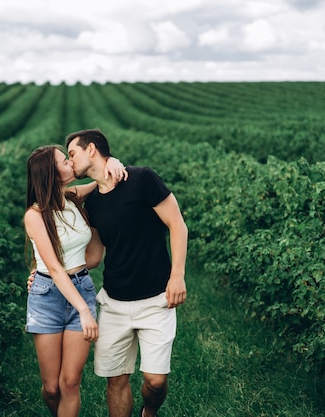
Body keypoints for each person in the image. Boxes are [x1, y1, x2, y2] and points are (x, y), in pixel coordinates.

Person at [65, 128, 188, 417]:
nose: (70, 162)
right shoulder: (92, 201)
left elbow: (177, 225)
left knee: (155, 381)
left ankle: (150, 410)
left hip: (157, 299)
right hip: (114, 303)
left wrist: (177, 275)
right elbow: (94, 257)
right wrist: (47, 271)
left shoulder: (142, 179)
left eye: (72, 154)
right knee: (116, 380)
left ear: (91, 149)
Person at [24, 144, 126, 417]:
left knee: (70, 382)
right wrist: (83, 309)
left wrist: (112, 161)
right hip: (47, 296)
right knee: (52, 388)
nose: (71, 162)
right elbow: (56, 270)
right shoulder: (34, 216)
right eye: (64, 160)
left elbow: (101, 179)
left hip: (80, 284)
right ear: (50, 173)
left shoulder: (72, 197)